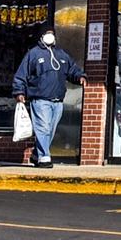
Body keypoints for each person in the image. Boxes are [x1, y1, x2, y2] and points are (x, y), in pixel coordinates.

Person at [12, 28, 84, 167]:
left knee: (50, 130)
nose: (49, 36)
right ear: (41, 36)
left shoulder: (61, 55)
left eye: (52, 34)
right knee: (43, 128)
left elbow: (72, 69)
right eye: (47, 34)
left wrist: (80, 76)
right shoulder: (33, 54)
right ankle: (44, 158)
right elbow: (21, 74)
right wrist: (19, 92)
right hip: (40, 100)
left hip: (58, 101)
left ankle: (36, 155)